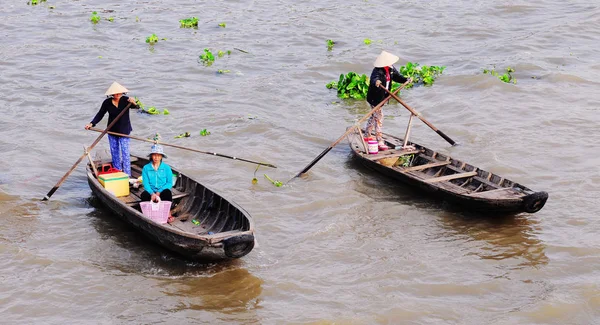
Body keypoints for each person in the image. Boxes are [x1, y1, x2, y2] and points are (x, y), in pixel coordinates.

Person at [85, 81, 138, 176]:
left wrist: (133, 102)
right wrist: (92, 123)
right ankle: (118, 171)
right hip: (112, 131)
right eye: (115, 93)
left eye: (119, 93)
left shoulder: (126, 100)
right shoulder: (107, 103)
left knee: (125, 153)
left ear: (122, 92)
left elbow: (136, 107)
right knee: (115, 152)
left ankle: (127, 174)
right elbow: (100, 114)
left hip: (124, 131)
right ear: (112, 94)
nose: (117, 95)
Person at [365, 51, 410, 151]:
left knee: (374, 116)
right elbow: (374, 79)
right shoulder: (377, 71)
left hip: (383, 97)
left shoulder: (391, 69)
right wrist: (376, 82)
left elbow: (398, 77)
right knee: (379, 117)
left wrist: (406, 79)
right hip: (374, 98)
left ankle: (367, 135)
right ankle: (379, 140)